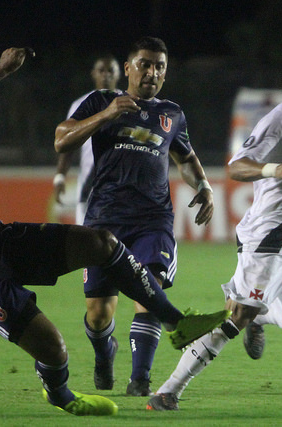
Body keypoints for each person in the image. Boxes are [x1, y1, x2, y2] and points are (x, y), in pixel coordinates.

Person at [0, 47, 229, 417]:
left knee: (102, 243)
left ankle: (176, 322)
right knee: (55, 350)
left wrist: (0, 72)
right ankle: (62, 396)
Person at [146, 38, 282, 411]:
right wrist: (273, 169)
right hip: (270, 238)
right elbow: (237, 166)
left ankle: (264, 316)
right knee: (237, 316)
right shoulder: (281, 120)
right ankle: (168, 390)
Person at [54, 36, 215, 397]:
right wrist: (107, 115)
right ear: (128, 68)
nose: (152, 72)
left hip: (152, 220)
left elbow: (185, 157)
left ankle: (140, 380)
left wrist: (202, 185)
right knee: (98, 313)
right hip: (103, 222)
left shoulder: (171, 113)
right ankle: (103, 352)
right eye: (145, 64)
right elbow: (61, 140)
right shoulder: (100, 101)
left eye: (160, 66)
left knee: (149, 286)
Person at [53, 54, 121, 224]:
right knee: (87, 239)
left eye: (111, 70)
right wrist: (60, 176)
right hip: (90, 185)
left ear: (120, 74)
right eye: (101, 70)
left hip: (121, 184)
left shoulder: (129, 103)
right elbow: (67, 143)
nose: (106, 75)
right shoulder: (81, 105)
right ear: (93, 74)